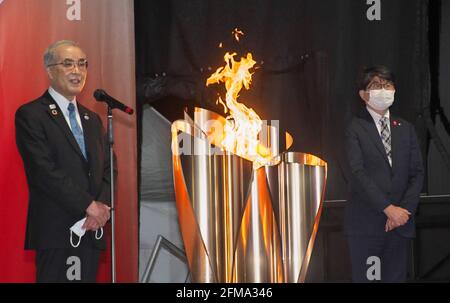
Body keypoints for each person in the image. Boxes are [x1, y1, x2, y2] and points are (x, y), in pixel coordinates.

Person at [15, 40, 112, 282]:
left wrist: (102, 207)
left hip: (91, 230)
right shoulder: (32, 114)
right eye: (68, 64)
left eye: (82, 64)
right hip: (57, 231)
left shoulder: (92, 119)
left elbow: (110, 167)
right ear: (50, 70)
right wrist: (88, 205)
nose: (77, 71)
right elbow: (43, 171)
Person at [344, 65, 424, 282]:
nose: (383, 89)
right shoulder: (355, 128)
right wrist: (388, 209)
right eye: (376, 85)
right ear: (363, 94)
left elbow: (417, 173)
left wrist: (403, 212)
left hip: (399, 226)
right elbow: (357, 173)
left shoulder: (405, 128)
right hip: (367, 227)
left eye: (387, 85)